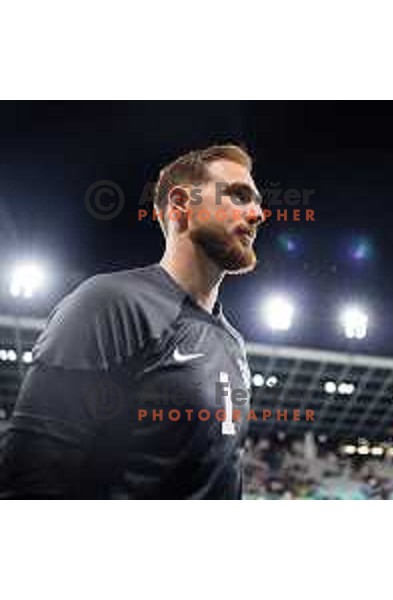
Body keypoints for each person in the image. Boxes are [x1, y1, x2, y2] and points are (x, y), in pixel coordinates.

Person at [0, 144, 264, 499]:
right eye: (238, 195)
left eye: (257, 200)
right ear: (181, 206)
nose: (258, 214)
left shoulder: (234, 343)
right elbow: (30, 481)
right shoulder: (109, 304)